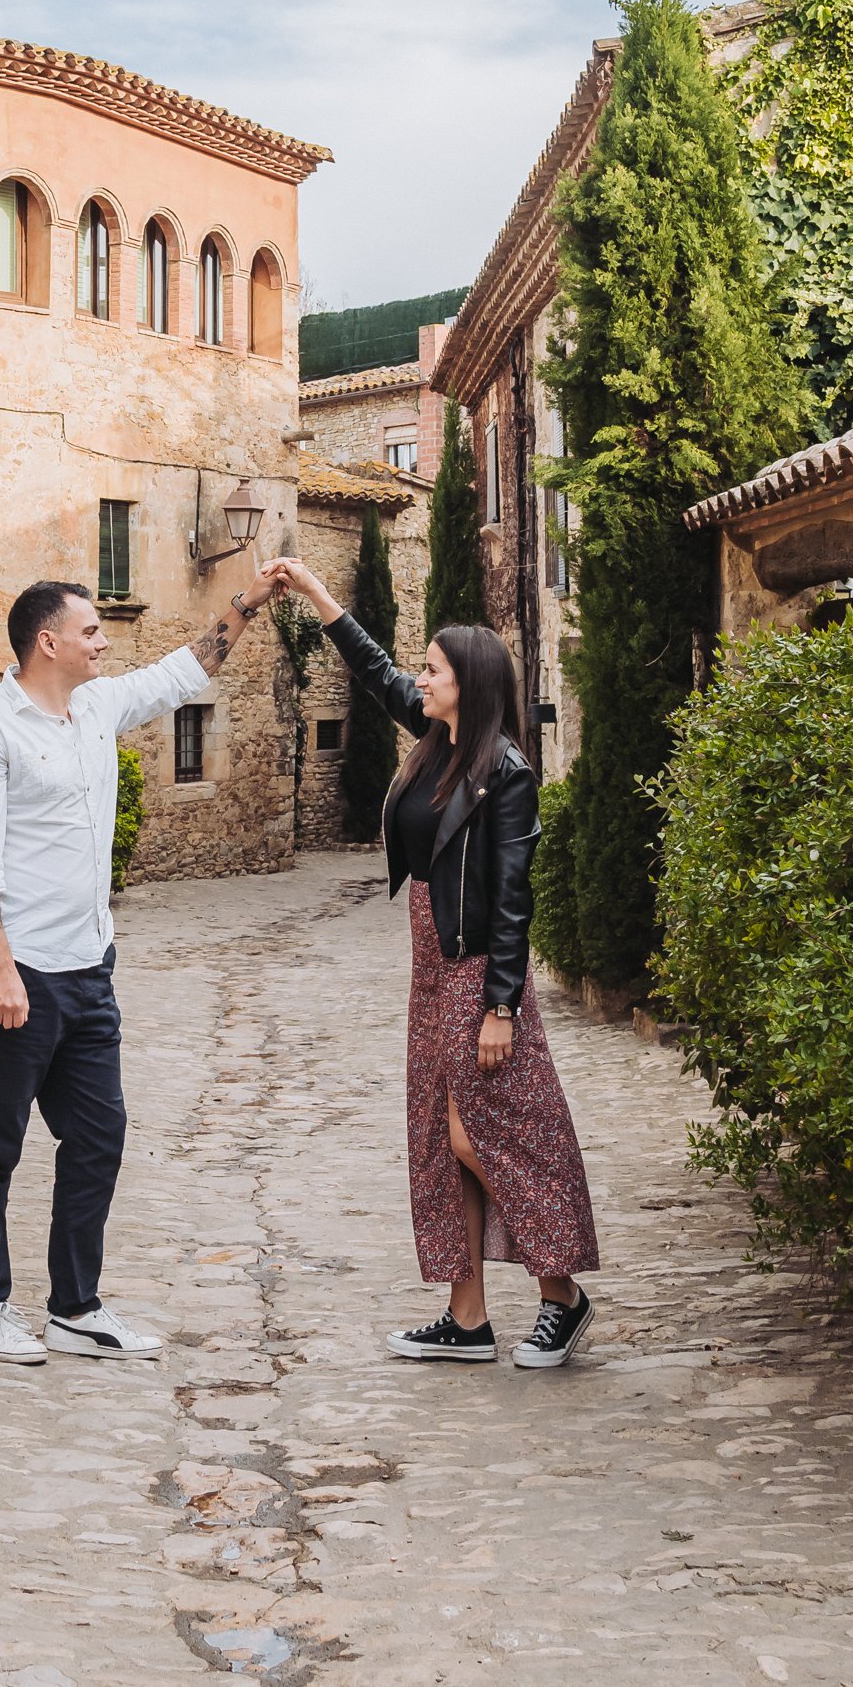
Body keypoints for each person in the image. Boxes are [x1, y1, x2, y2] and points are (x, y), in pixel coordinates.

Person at [0, 569, 282, 1365]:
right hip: (13, 970)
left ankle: (74, 1308)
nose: (103, 641)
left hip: (89, 967)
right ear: (47, 641)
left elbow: (182, 671)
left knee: (98, 1136)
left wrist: (250, 602)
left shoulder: (95, 706)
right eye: (91, 631)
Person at [262, 558, 599, 1370]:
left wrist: (501, 1006)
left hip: (478, 969)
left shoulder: (503, 776)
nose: (420, 677)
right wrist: (314, 594)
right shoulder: (437, 741)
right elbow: (375, 671)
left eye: (434, 669)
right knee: (437, 1140)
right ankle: (467, 1318)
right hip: (430, 965)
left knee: (485, 1132)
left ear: (469, 685)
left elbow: (513, 899)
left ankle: (562, 1298)